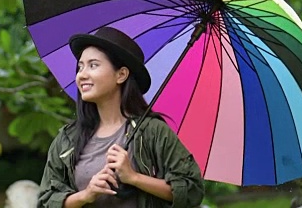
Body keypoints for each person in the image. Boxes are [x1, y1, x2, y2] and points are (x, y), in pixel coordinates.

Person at [38, 27, 204, 208]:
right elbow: (46, 200)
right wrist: (86, 195)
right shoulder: (68, 139)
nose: (82, 75)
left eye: (93, 65)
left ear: (121, 74)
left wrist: (134, 177)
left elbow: (192, 190)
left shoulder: (152, 132)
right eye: (80, 67)